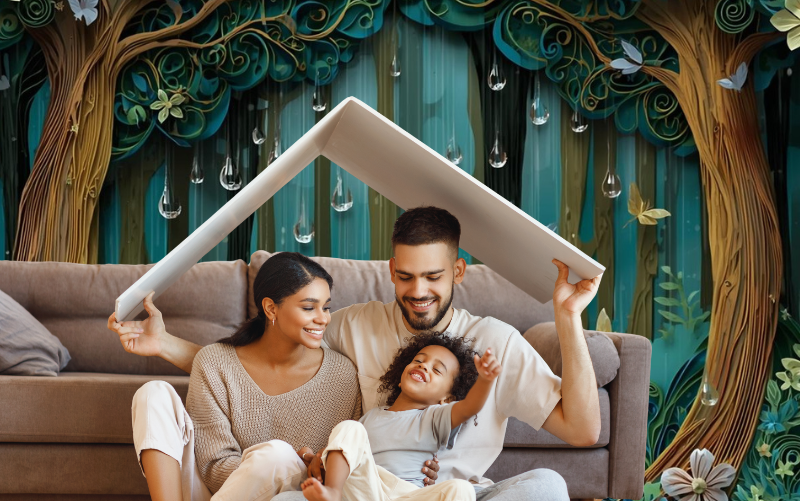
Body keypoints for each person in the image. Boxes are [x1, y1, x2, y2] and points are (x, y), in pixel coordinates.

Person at [111, 205, 602, 501]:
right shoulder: (352, 325)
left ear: (458, 272)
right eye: (406, 276)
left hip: (453, 493)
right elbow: (263, 358)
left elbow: (582, 430)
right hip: (365, 488)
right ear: (391, 270)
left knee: (546, 487)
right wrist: (168, 346)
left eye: (433, 277)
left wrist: (567, 317)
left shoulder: (494, 341)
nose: (419, 291)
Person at [109, 253, 364, 501]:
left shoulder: (342, 375)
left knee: (278, 455)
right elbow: (213, 468)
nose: (323, 318)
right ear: (270, 308)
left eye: (327, 307)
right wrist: (271, 464)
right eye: (309, 307)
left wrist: (304, 465)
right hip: (214, 492)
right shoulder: (214, 362)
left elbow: (343, 465)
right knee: (152, 393)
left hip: (292, 495)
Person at [300, 331, 501, 501]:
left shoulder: (434, 418)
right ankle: (332, 493)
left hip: (407, 494)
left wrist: (485, 381)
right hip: (367, 488)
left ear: (447, 399)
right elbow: (345, 448)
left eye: (437, 370)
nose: (424, 366)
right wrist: (314, 455)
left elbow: (469, 407)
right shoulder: (371, 416)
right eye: (419, 360)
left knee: (461, 489)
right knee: (350, 427)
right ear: (399, 378)